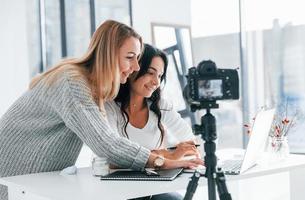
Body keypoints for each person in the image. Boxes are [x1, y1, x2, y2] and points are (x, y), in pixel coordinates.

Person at [0, 20, 203, 200]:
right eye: (130, 57)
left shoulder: (91, 88)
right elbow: (106, 144)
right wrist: (164, 160)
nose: (135, 67)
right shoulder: (73, 82)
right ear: (108, 54)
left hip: (31, 181)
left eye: (137, 58)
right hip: (14, 180)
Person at [105, 44, 201, 200]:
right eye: (150, 73)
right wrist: (170, 155)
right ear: (132, 68)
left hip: (153, 187)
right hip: (120, 190)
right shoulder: (109, 106)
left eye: (160, 75)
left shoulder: (160, 105)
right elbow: (114, 159)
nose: (156, 82)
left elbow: (190, 141)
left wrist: (162, 157)